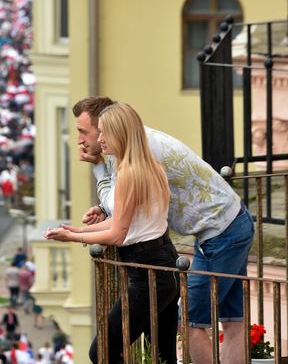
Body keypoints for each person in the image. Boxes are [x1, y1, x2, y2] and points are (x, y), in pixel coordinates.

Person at [72, 97, 254, 364]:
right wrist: (106, 206)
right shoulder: (136, 144)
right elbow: (130, 200)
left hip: (219, 231)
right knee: (232, 322)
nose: (83, 139)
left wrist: (99, 173)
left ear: (105, 127)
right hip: (229, 221)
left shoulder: (134, 154)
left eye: (84, 131)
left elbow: (122, 212)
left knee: (191, 322)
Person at [46, 102, 180, 363]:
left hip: (148, 273)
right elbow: (123, 221)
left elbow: (117, 234)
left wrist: (74, 237)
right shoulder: (145, 167)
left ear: (121, 133)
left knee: (102, 351)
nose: (100, 138)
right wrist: (81, 229)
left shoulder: (130, 173)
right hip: (162, 266)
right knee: (163, 355)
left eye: (105, 132)